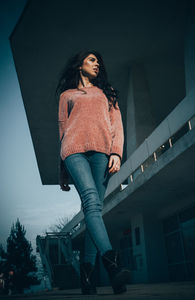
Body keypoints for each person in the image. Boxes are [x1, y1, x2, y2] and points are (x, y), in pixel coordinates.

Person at [56, 50, 130, 295]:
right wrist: (62, 171)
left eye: (98, 61)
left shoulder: (106, 93)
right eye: (91, 60)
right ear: (80, 65)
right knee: (90, 198)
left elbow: (117, 124)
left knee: (93, 210)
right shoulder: (67, 95)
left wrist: (116, 152)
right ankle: (112, 265)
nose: (97, 63)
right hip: (73, 151)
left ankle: (87, 276)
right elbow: (62, 131)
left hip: (101, 152)